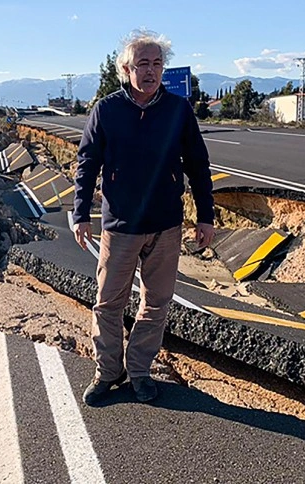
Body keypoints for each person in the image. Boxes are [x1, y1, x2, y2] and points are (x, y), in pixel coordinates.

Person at [72, 29, 215, 405]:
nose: (150, 71)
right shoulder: (107, 110)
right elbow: (87, 164)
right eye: (142, 64)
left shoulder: (178, 110)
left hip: (166, 224)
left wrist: (206, 216)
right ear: (126, 69)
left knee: (156, 302)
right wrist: (80, 213)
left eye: (157, 63)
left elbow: (198, 165)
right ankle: (107, 371)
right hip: (120, 225)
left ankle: (138, 371)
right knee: (108, 301)